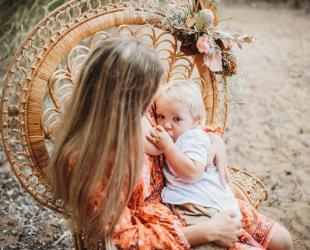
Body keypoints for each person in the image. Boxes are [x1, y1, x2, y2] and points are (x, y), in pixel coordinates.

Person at [48, 36, 292, 250]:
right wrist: (206, 231)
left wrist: (214, 140)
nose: (153, 101)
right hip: (170, 224)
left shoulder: (144, 112)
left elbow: (182, 123)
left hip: (195, 192)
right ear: (125, 100)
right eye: (148, 94)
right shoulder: (90, 161)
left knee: (284, 242)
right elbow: (122, 238)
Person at [146, 79, 293, 250]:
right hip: (199, 206)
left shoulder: (191, 138)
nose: (166, 125)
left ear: (195, 121)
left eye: (177, 119)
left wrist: (168, 146)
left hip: (200, 204)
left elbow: (192, 172)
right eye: (160, 116)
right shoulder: (179, 135)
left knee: (282, 241)